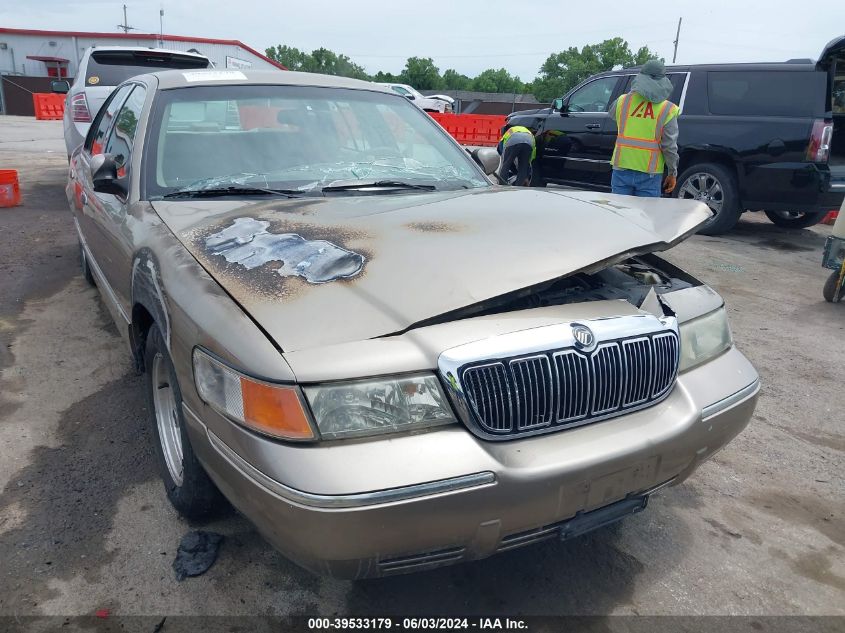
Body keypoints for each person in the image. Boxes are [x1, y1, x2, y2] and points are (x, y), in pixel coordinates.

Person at [608, 59, 679, 197]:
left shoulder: (623, 101)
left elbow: (612, 114)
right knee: (645, 215)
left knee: (619, 214)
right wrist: (672, 173)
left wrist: (635, 91)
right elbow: (669, 147)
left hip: (621, 169)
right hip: (650, 174)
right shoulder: (668, 109)